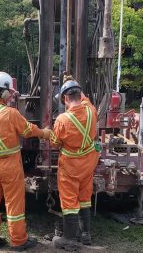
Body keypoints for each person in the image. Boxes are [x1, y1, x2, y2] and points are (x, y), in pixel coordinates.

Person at [0, 71, 50, 251]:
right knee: (14, 203)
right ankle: (18, 240)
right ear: (4, 93)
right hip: (8, 164)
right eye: (10, 92)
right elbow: (28, 130)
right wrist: (44, 133)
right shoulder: (10, 113)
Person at [49, 74, 100, 251]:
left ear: (64, 99)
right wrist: (72, 82)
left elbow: (54, 143)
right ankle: (86, 234)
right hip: (88, 163)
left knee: (69, 201)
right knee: (85, 198)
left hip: (70, 166)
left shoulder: (62, 120)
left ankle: (69, 239)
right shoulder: (91, 110)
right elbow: (83, 98)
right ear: (80, 95)